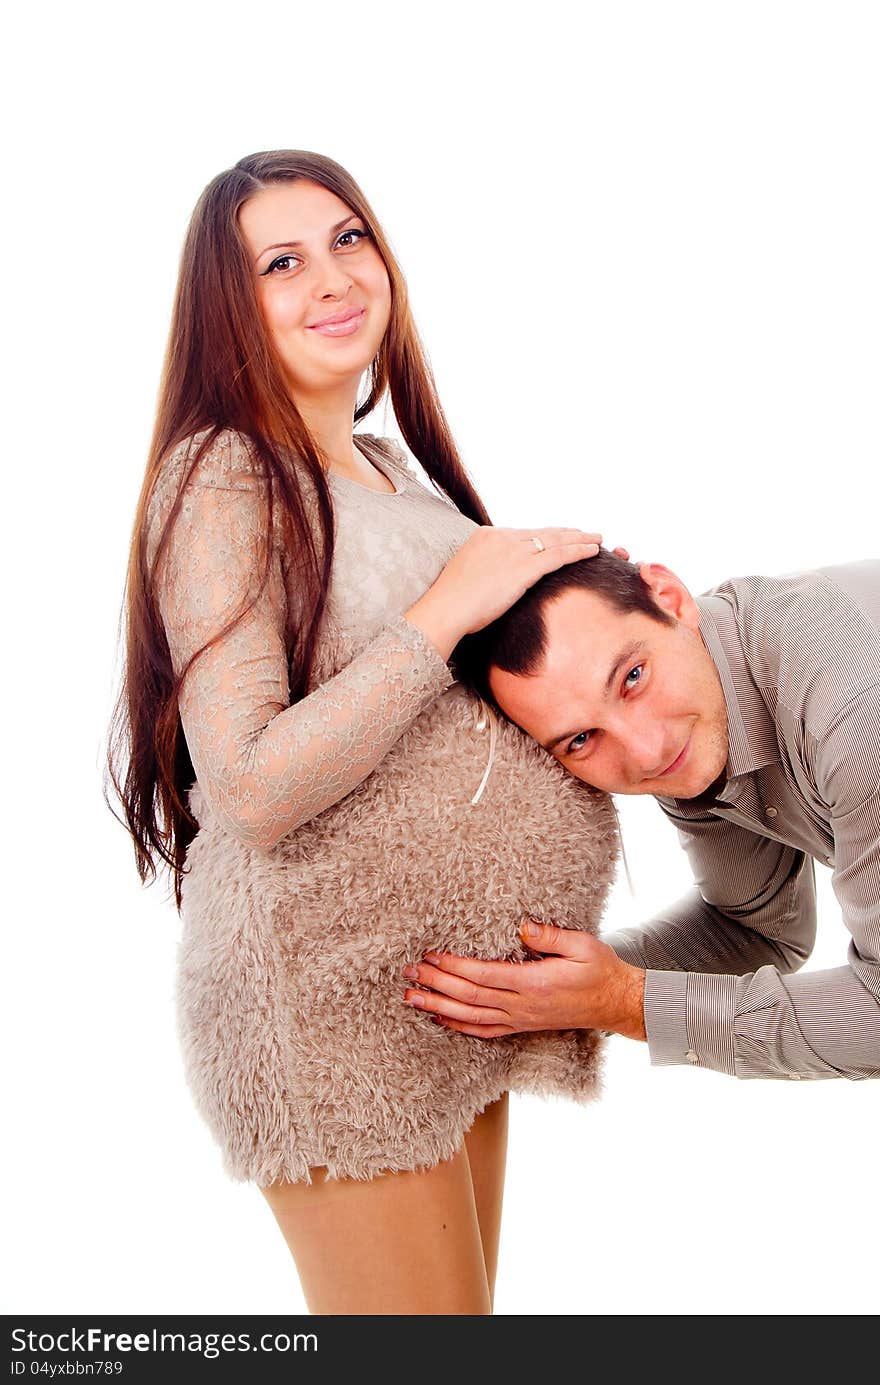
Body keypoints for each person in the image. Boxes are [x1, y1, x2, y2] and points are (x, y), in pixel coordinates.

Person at [106, 149, 620, 1316]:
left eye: (347, 239)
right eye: (280, 263)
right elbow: (245, 786)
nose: (332, 277)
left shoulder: (389, 471)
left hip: (441, 993)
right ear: (227, 313)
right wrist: (451, 606)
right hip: (332, 1004)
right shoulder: (224, 474)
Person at [405, 551, 880, 1081]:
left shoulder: (856, 719)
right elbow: (761, 930)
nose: (646, 751)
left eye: (632, 678)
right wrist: (562, 984)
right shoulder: (703, 702)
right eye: (582, 739)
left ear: (669, 598)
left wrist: (624, 1000)